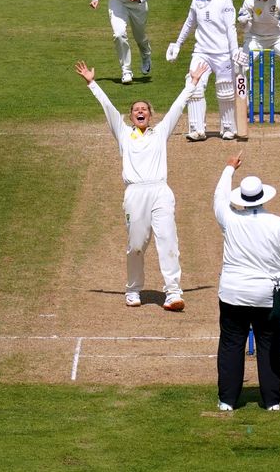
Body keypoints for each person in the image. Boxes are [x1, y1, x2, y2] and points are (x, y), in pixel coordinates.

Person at [74, 59, 209, 311]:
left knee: (168, 240)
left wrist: (192, 82)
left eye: (144, 109)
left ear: (150, 114)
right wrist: (92, 83)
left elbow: (178, 107)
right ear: (131, 115)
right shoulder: (123, 133)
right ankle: (133, 289)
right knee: (136, 244)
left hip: (160, 191)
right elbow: (108, 107)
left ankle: (173, 293)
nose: (140, 111)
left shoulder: (160, 133)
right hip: (135, 193)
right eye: (136, 109)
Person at [213, 152, 280, 412]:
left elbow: (218, 198)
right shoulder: (277, 224)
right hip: (267, 296)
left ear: (242, 199)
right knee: (269, 345)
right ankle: (272, 401)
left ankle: (227, 401)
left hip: (232, 294)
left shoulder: (230, 220)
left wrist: (229, 168)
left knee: (231, 345)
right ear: (263, 197)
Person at [166, 0, 244, 141]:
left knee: (225, 89)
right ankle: (197, 129)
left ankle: (228, 128)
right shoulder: (196, 0)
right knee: (193, 87)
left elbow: (231, 27)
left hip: (223, 53)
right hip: (202, 52)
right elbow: (189, 23)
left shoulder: (225, 0)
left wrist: (234, 51)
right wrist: (177, 44)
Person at [90, 0, 152, 84]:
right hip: (117, 2)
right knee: (118, 34)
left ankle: (146, 55)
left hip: (137, 5)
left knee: (140, 37)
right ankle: (126, 71)